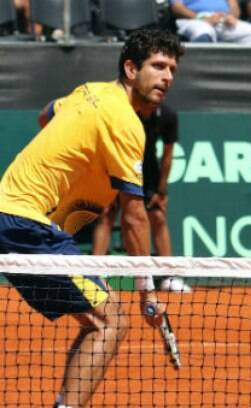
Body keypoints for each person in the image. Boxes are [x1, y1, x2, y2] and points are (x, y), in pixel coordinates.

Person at [0, 29, 184, 408]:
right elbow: (134, 217)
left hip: (14, 216)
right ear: (131, 68)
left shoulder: (89, 91)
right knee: (112, 320)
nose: (167, 77)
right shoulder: (125, 123)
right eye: (158, 66)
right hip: (28, 225)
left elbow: (45, 115)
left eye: (172, 70)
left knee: (96, 320)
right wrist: (148, 292)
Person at [92, 103, 190, 293]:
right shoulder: (123, 111)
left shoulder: (168, 115)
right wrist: (105, 182)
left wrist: (161, 191)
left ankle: (168, 278)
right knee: (106, 217)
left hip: (148, 174)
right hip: (116, 168)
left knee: (159, 218)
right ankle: (95, 276)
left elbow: (168, 155)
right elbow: (103, 146)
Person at [171, 0, 251, 44]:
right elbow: (177, 7)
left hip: (223, 19)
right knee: (204, 32)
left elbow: (233, 5)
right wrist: (201, 18)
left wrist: (232, 16)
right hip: (194, 19)